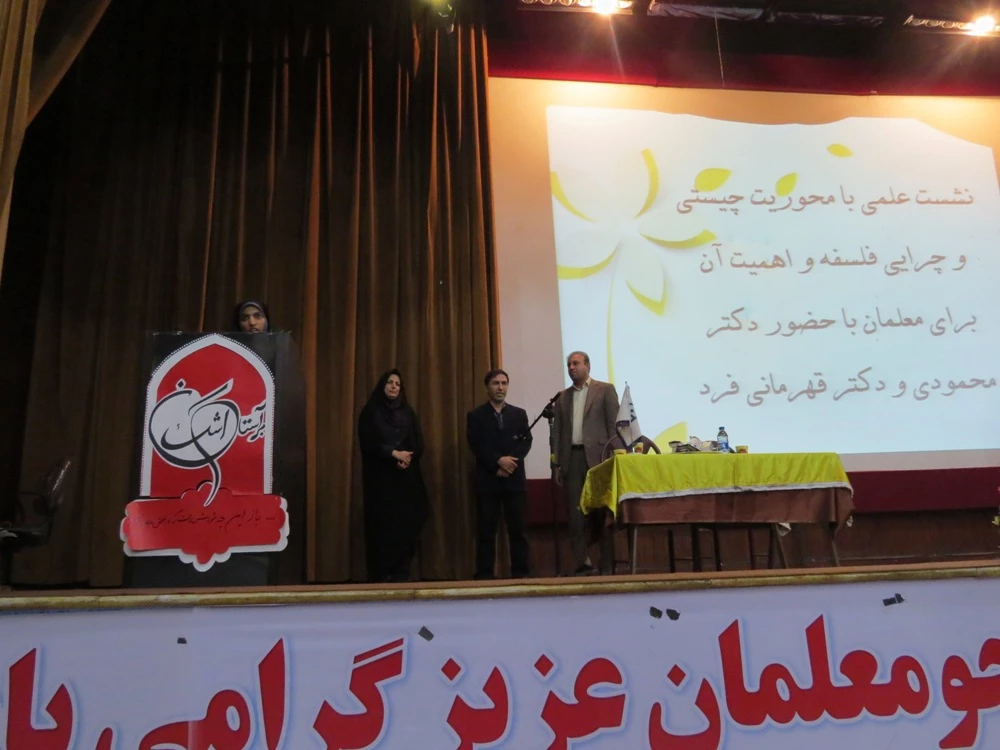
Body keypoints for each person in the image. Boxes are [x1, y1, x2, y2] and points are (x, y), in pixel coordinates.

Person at [357, 370, 430, 583]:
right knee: (382, 526)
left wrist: (407, 456)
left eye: (397, 384)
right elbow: (368, 442)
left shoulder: (408, 412)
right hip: (380, 480)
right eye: (390, 382)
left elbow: (418, 442)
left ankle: (401, 573)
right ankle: (381, 574)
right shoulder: (371, 412)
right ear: (382, 386)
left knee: (407, 523)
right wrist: (392, 453)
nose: (394, 387)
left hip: (406, 479)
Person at [551, 351, 619, 575]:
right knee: (575, 514)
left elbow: (614, 426)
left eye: (576, 363)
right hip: (572, 459)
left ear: (587, 366)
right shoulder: (563, 397)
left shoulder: (605, 390)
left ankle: (606, 564)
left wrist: (613, 457)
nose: (571, 368)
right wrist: (556, 464)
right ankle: (583, 562)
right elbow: (557, 433)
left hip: (599, 459)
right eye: (569, 364)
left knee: (602, 513)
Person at [466, 368, 533, 580]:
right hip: (488, 480)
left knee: (518, 531)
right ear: (487, 387)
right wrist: (498, 461)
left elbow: (526, 442)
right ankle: (485, 575)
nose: (500, 387)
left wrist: (509, 463)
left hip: (514, 480)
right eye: (496, 383)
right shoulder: (475, 416)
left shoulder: (519, 414)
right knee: (486, 531)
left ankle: (521, 574)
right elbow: (476, 444)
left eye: (504, 383)